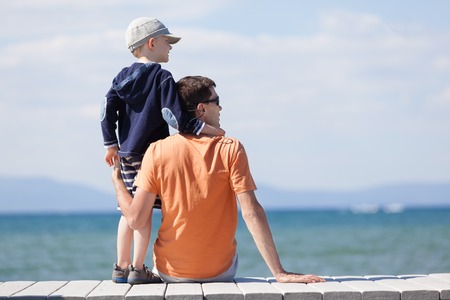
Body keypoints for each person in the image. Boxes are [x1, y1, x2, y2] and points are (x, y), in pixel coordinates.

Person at [111, 75, 325, 284]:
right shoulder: (231, 148)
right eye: (217, 102)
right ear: (201, 109)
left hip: (170, 272)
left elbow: (136, 220)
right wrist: (279, 272)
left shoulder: (156, 150)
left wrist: (117, 182)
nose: (221, 109)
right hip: (220, 272)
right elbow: (251, 212)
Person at [100, 18, 224, 285]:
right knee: (143, 215)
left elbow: (106, 110)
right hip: (151, 155)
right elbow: (174, 117)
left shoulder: (121, 76)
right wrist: (206, 130)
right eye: (168, 42)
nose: (171, 48)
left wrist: (110, 143)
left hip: (125, 154)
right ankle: (137, 267)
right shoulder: (162, 77)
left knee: (129, 212)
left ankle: (120, 267)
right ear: (152, 43)